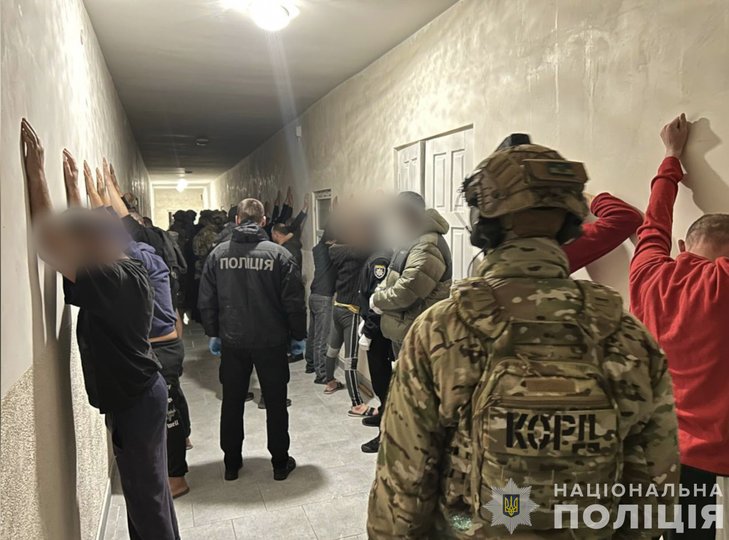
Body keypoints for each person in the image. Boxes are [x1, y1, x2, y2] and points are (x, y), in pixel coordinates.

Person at [368, 135, 680, 539]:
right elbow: (655, 488)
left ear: (481, 224)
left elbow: (402, 489)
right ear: (570, 225)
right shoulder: (627, 337)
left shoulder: (440, 330)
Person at [21, 119, 179, 539]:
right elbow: (81, 234)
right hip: (141, 393)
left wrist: (36, 174)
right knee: (150, 493)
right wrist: (74, 190)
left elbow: (51, 243)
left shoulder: (113, 279)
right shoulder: (124, 262)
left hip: (135, 399)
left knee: (146, 499)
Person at [629, 114, 729, 540]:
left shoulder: (648, 274)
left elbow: (653, 224)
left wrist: (671, 156)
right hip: (715, 445)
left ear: (684, 246)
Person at [92, 160, 192, 498]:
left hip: (161, 346)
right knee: (173, 402)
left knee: (168, 414)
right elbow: (121, 225)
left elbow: (115, 227)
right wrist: (109, 186)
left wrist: (93, 193)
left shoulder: (139, 260)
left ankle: (176, 477)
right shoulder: (153, 249)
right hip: (168, 342)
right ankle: (182, 446)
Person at [198, 198, 306, 481]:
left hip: (233, 341)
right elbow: (293, 302)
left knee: (232, 403)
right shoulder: (279, 255)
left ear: (236, 220)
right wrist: (298, 336)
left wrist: (213, 333)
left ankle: (231, 464)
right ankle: (280, 463)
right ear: (263, 221)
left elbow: (207, 300)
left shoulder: (218, 255)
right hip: (271, 341)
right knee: (276, 402)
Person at [370, 192, 452, 354]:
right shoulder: (412, 239)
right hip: (406, 329)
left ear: (409, 215)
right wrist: (380, 292)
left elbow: (407, 291)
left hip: (417, 334)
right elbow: (394, 273)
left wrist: (377, 300)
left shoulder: (427, 246)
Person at [323, 221, 373, 416]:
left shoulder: (335, 250)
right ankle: (357, 405)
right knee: (351, 360)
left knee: (332, 350)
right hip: (350, 311)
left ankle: (330, 382)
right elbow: (373, 246)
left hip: (337, 306)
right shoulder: (358, 252)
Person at [357, 247, 393, 453]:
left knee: (383, 383)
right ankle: (382, 414)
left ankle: (384, 434)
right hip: (375, 329)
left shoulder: (380, 260)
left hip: (379, 333)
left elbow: (379, 302)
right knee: (380, 382)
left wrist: (368, 331)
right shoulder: (374, 256)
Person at [307, 228, 337, 381]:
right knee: (321, 338)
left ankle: (310, 364)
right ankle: (322, 374)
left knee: (312, 334)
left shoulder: (317, 249)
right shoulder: (332, 252)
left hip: (313, 295)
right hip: (324, 297)